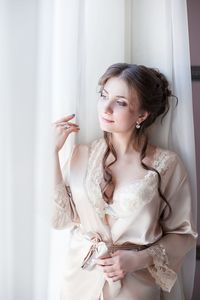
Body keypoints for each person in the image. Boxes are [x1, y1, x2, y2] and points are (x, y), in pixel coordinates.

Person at [51, 63, 197, 300]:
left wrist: (138, 259)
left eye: (120, 102)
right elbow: (59, 220)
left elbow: (183, 234)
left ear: (142, 114)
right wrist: (51, 153)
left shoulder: (167, 165)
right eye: (103, 96)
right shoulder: (80, 156)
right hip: (79, 281)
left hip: (134, 287)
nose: (105, 108)